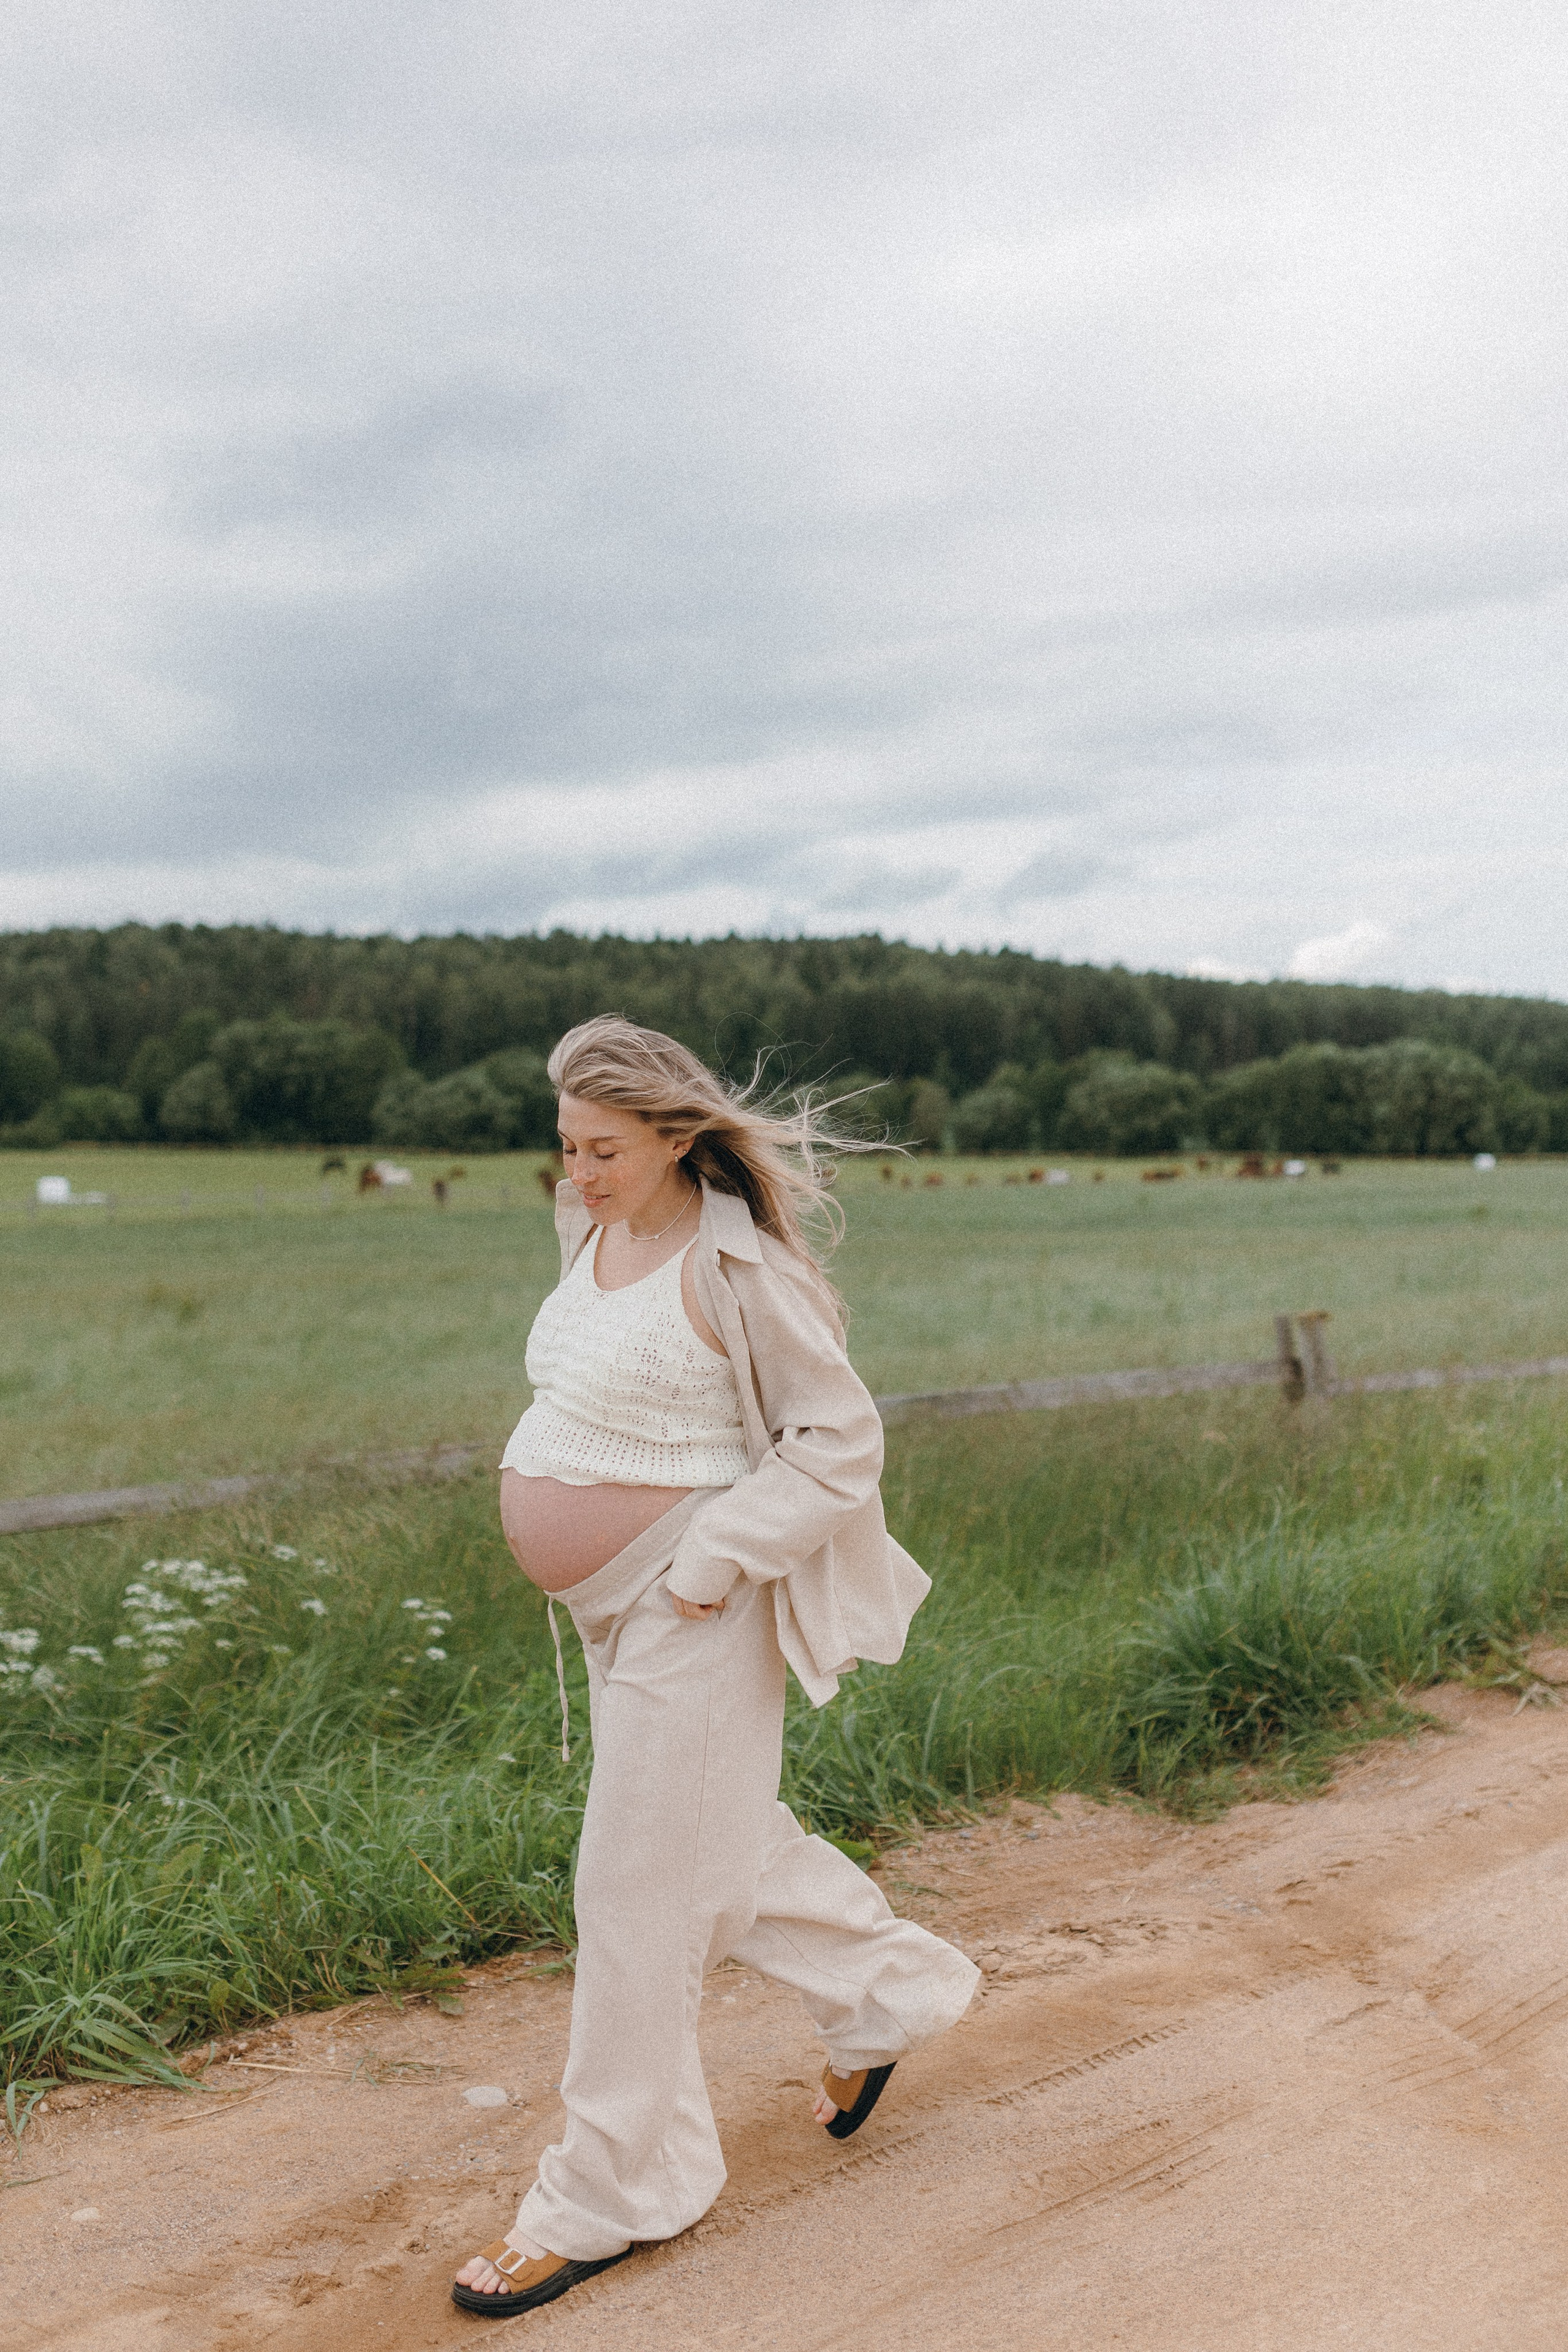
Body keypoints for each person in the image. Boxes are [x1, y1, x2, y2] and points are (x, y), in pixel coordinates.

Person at [452, 1016, 978, 2319]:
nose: (578, 1172)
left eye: (605, 1149)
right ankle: (889, 1994)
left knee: (634, 1892)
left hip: (692, 1604)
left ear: (677, 1137)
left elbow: (837, 1440)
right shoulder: (590, 1231)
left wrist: (714, 1560)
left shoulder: (741, 1269)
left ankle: (611, 2191)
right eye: (567, 1146)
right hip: (608, 1611)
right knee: (712, 1841)